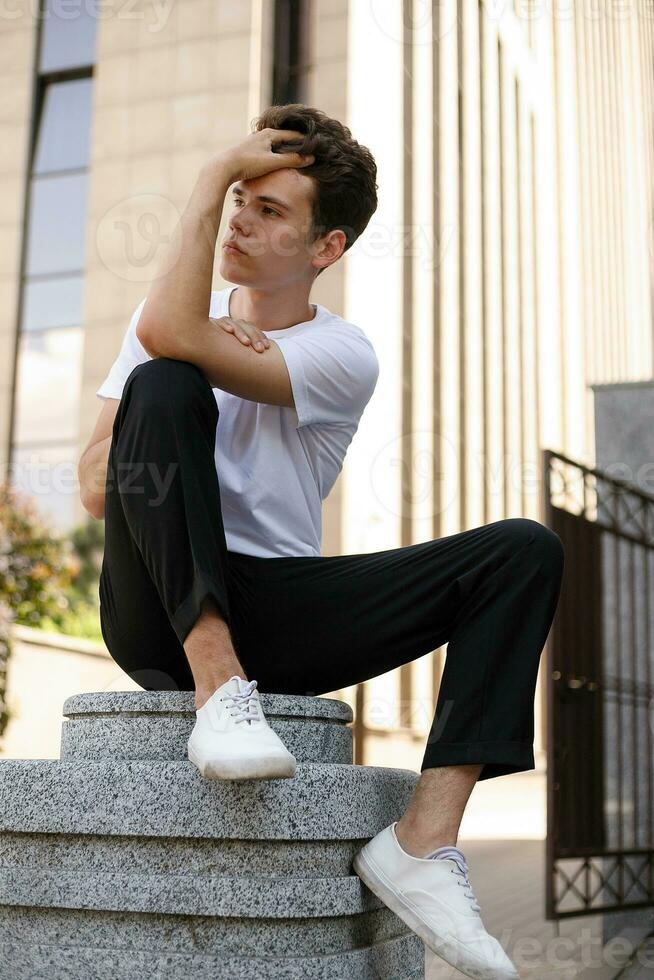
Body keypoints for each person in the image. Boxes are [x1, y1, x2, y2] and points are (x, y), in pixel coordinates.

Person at [78, 104, 563, 980]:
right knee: (162, 378)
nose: (239, 218)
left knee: (525, 549)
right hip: (157, 611)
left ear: (325, 249)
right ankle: (216, 687)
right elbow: (89, 484)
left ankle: (422, 842)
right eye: (238, 196)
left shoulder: (345, 352)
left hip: (284, 610)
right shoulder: (164, 323)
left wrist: (189, 344)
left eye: (270, 212)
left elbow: (170, 333)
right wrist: (192, 341)